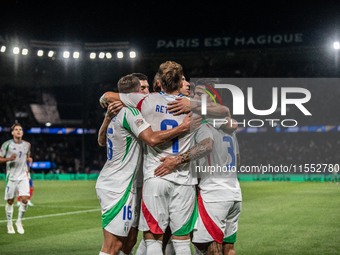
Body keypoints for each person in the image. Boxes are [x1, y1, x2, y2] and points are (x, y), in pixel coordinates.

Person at [99, 61, 214, 255]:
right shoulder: (194, 108)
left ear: (158, 82)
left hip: (155, 177)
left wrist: (106, 100)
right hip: (184, 180)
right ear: (180, 82)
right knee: (182, 242)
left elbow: (108, 95)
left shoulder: (145, 101)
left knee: (153, 239)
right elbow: (208, 144)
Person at [0, 123, 33, 234]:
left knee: (25, 200)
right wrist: (9, 158)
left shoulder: (27, 145)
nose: (18, 131)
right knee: (10, 201)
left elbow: (27, 155)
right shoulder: (7, 145)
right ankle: (9, 224)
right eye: (16, 130)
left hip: (23, 176)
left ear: (22, 132)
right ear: (12, 132)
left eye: (20, 129)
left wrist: (29, 159)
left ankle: (18, 222)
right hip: (11, 177)